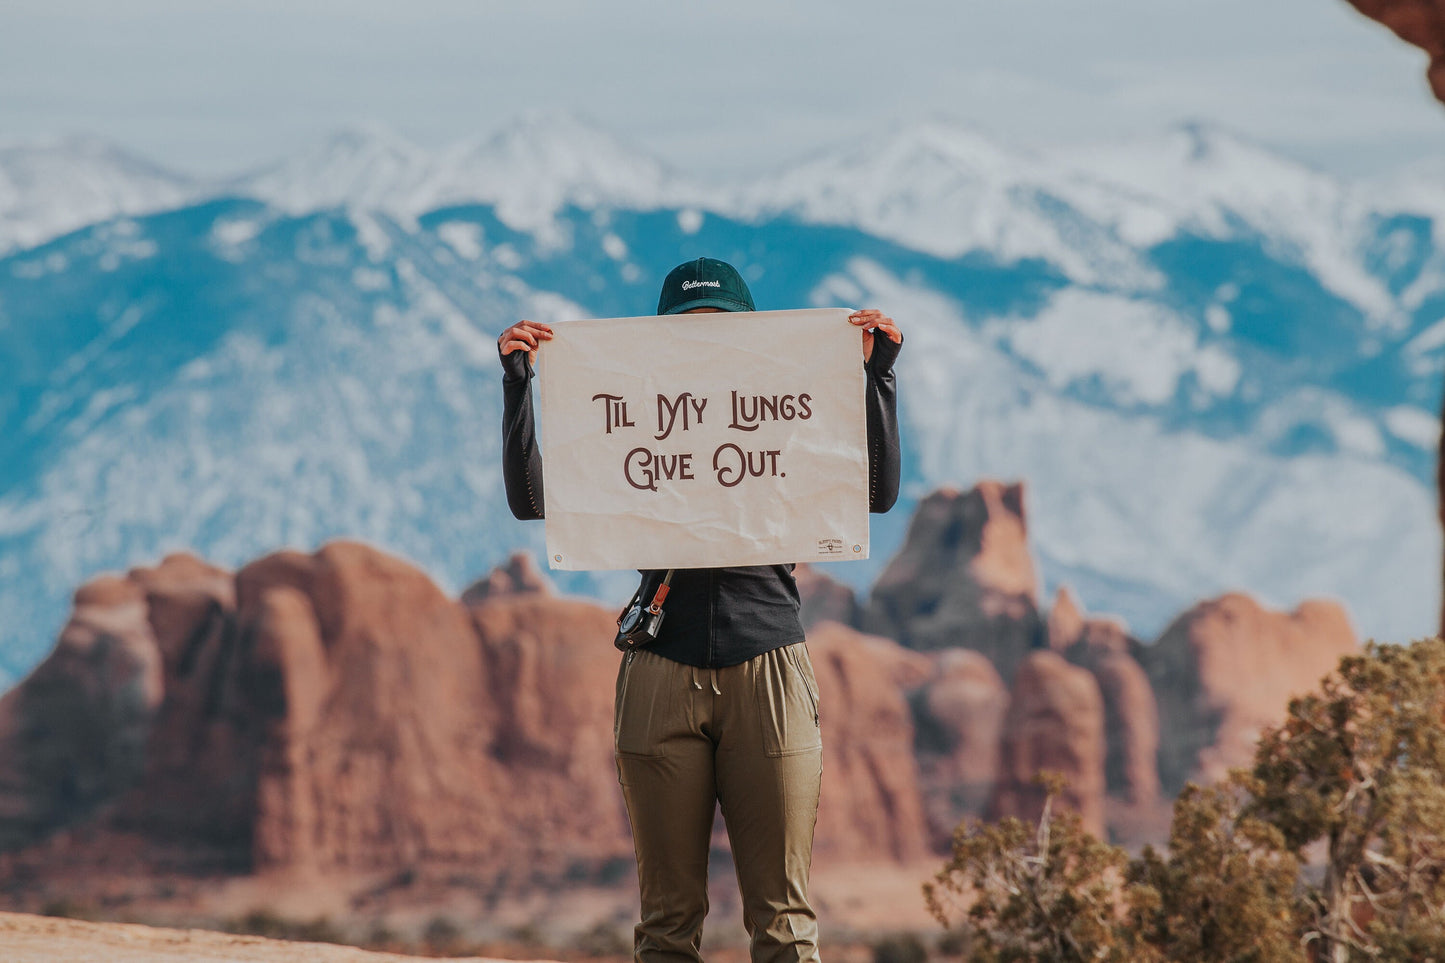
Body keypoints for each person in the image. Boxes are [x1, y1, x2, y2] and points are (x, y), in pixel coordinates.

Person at [498, 257, 902, 963]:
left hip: (768, 665)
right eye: (688, 328)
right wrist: (518, 386)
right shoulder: (630, 405)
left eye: (721, 325)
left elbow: (873, 492)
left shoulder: (783, 404)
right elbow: (533, 501)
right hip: (661, 668)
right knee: (666, 920)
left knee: (783, 922)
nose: (705, 339)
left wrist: (877, 377)